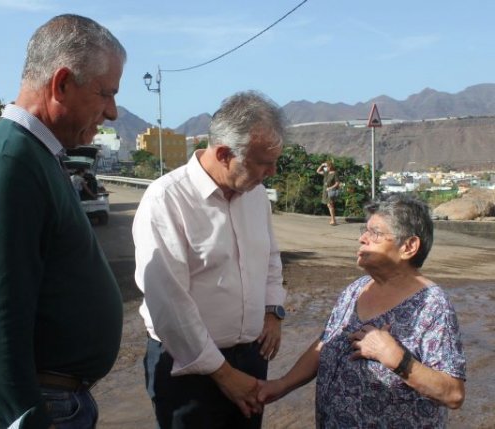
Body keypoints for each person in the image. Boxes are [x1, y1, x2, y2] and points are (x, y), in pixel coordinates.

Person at [0, 15, 126, 429]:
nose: (112, 112)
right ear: (62, 83)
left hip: (51, 402)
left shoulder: (32, 157)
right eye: (106, 94)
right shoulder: (8, 162)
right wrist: (21, 418)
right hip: (34, 407)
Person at [133, 91, 287, 429]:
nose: (271, 172)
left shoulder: (255, 195)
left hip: (250, 358)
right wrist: (223, 373)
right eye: (262, 162)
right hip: (188, 369)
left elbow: (271, 258)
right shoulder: (166, 200)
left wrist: (273, 310)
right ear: (223, 154)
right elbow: (170, 305)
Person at [257, 194, 466, 428]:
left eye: (375, 233)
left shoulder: (433, 305)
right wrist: (282, 384)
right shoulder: (356, 289)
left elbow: (453, 394)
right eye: (364, 231)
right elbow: (325, 343)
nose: (363, 239)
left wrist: (394, 356)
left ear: (409, 246)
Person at [316, 160, 339, 225]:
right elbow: (318, 171)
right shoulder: (326, 173)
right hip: (325, 190)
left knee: (330, 205)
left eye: (327, 166)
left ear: (330, 166)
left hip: (330, 191)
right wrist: (322, 165)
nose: (326, 168)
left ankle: (333, 220)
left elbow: (337, 183)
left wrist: (330, 188)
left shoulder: (335, 173)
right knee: (329, 205)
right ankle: (333, 219)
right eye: (326, 166)